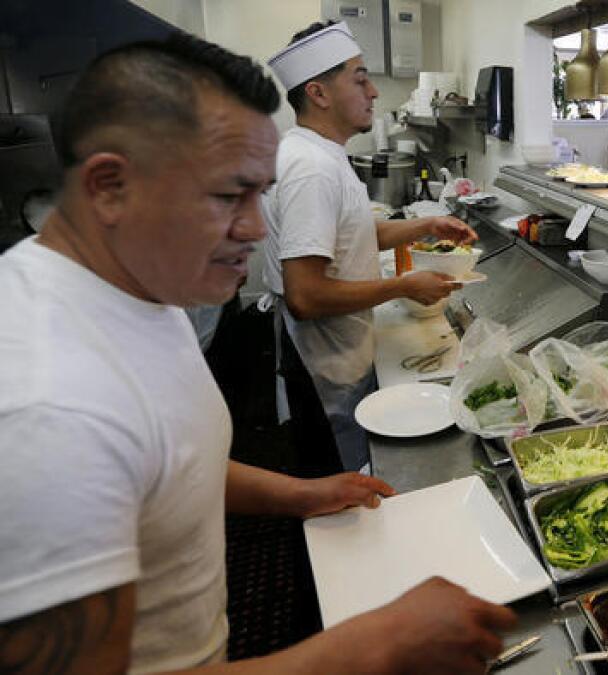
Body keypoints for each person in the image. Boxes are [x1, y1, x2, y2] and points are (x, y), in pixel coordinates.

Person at [0, 33, 515, 674]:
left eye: (258, 194)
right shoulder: (43, 402)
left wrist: (299, 494)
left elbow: (172, 466)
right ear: (109, 187)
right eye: (227, 196)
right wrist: (367, 648)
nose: (255, 230)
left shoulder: (143, 297)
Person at [262, 22, 476, 474]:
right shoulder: (310, 169)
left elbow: (354, 235)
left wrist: (427, 225)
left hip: (343, 353)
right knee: (337, 491)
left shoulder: (324, 154)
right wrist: (402, 287)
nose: (374, 92)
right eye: (359, 78)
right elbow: (305, 296)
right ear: (319, 93)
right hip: (325, 368)